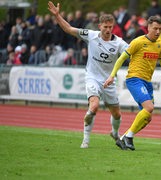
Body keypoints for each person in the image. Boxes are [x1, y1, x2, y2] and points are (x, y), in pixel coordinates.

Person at [48, 1, 129, 149]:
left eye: (110, 27)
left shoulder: (119, 43)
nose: (108, 30)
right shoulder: (91, 35)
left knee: (117, 114)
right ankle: (85, 140)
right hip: (92, 77)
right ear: (100, 27)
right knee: (94, 106)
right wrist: (57, 16)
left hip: (109, 81)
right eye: (105, 27)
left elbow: (131, 52)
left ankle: (115, 133)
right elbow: (69, 29)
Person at [103, 16, 161, 150]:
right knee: (149, 108)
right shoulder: (138, 42)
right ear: (148, 27)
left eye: (160, 29)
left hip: (147, 82)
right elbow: (121, 59)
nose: (158, 31)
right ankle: (129, 136)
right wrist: (111, 76)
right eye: (155, 28)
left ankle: (122, 138)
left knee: (147, 118)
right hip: (134, 79)